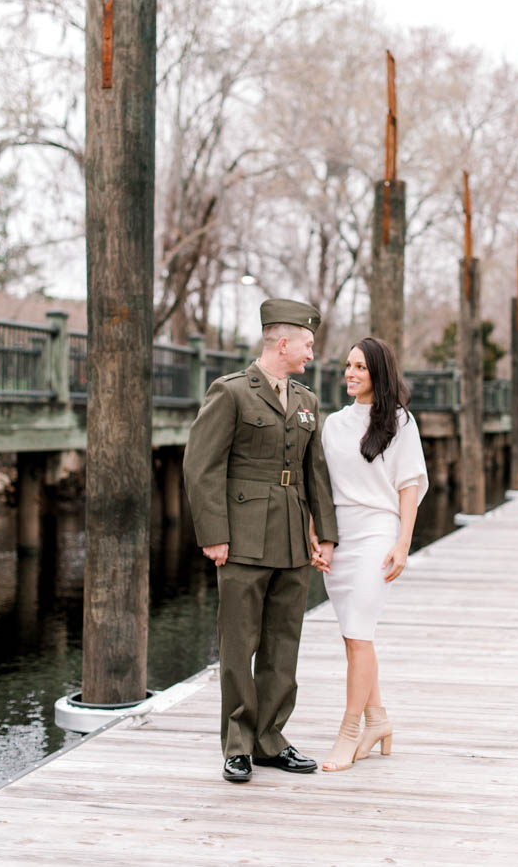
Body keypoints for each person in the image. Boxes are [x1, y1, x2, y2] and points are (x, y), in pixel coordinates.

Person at [183, 298, 338, 783]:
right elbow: (201, 466)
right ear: (284, 342)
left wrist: (325, 535)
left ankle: (271, 738)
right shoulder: (231, 393)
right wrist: (214, 535)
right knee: (238, 644)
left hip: (292, 538)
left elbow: (317, 474)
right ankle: (237, 744)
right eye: (308, 344)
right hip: (243, 538)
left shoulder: (308, 402)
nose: (313, 353)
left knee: (282, 644)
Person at [311, 336, 428, 772]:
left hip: (379, 532)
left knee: (359, 635)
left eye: (360, 367)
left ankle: (348, 733)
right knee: (354, 638)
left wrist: (403, 543)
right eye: (347, 366)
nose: (350, 374)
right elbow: (319, 487)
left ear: (378, 372)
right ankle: (378, 720)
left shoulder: (400, 422)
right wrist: (317, 536)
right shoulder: (334, 424)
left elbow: (410, 485)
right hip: (340, 535)